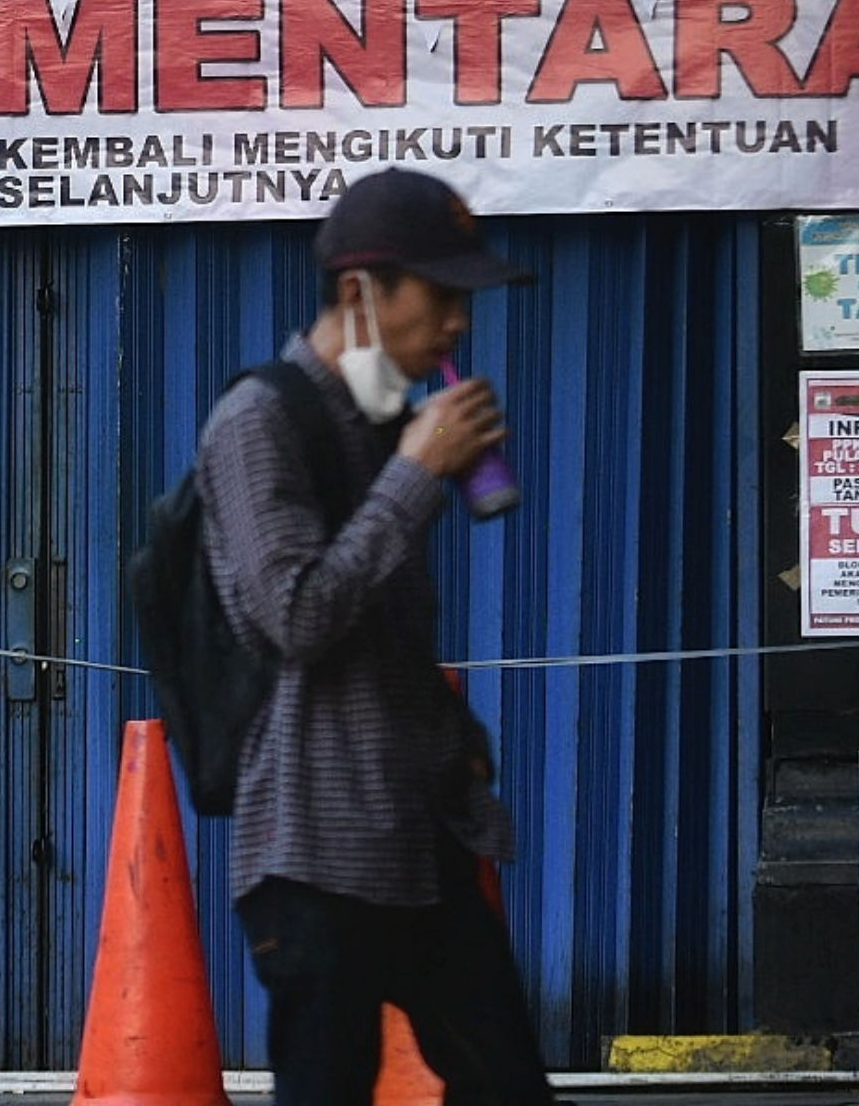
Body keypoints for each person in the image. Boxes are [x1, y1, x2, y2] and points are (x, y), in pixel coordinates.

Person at [194, 167, 553, 1106]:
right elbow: (298, 618)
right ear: (361, 291)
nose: (459, 323)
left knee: (510, 1087)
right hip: (315, 850)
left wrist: (455, 739)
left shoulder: (381, 419)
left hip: (418, 837)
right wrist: (416, 474)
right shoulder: (258, 421)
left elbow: (381, 632)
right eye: (440, 296)